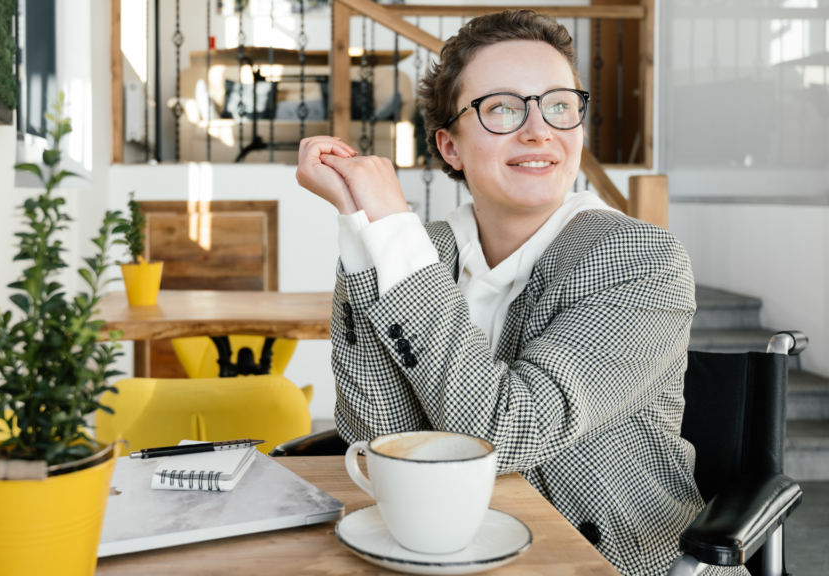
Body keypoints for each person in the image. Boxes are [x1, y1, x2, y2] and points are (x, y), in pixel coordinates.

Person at [295, 10, 743, 576]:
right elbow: (380, 436)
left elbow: (507, 431)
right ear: (450, 147)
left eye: (558, 105)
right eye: (502, 108)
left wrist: (391, 229)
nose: (539, 130)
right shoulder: (419, 251)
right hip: (444, 553)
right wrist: (360, 230)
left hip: (611, 562)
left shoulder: (640, 259)